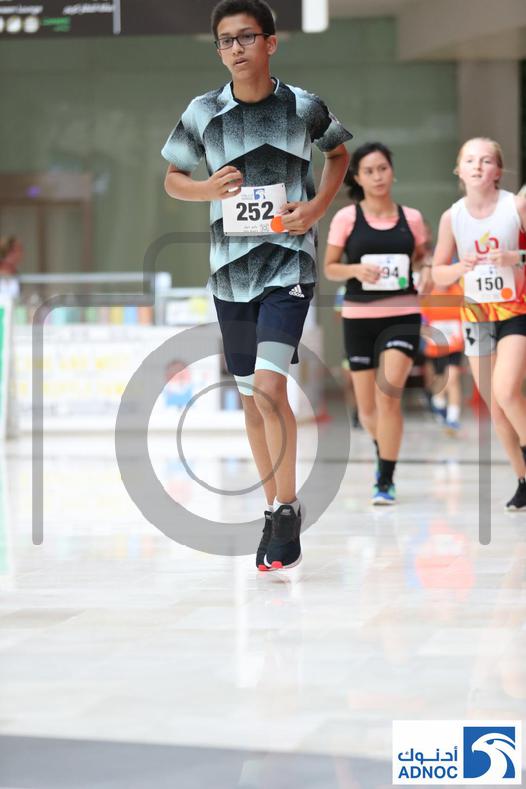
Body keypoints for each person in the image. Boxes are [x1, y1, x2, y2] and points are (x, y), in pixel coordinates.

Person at [161, 0, 352, 568]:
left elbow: (338, 155)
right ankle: (273, 507)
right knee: (249, 397)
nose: (236, 48)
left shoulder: (302, 106)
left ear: (271, 42)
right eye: (226, 40)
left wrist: (315, 208)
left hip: (288, 267)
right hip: (230, 276)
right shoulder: (203, 112)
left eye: (246, 37)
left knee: (269, 388)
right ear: (218, 50)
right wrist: (206, 190)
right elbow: (173, 179)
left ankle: (287, 511)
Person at [324, 142, 431, 505]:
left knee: (388, 397)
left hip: (402, 316)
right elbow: (330, 268)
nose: (378, 176)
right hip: (359, 319)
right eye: (369, 171)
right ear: (357, 178)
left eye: (383, 168)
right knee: (368, 410)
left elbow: (422, 258)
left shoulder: (411, 218)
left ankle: (385, 479)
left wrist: (427, 268)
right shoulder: (346, 218)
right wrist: (355, 269)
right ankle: (382, 445)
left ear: (392, 172)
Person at [433, 137, 526, 510]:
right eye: (470, 160)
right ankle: (522, 478)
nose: (477, 166)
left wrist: (516, 257)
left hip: (515, 310)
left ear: (498, 170)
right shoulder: (452, 217)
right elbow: (438, 273)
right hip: (476, 315)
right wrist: (460, 267)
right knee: (496, 407)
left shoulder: (516, 206)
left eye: (486, 160)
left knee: (507, 391)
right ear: (459, 169)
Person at [421, 281, 465, 435]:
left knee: (453, 379)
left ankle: (453, 418)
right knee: (440, 380)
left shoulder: (459, 291)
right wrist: (430, 333)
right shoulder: (428, 294)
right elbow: (422, 322)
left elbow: (466, 315)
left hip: (455, 345)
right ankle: (438, 401)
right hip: (436, 348)